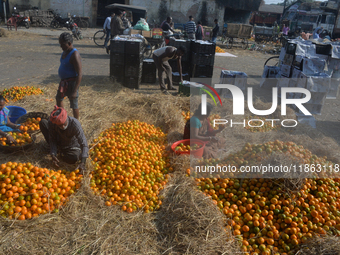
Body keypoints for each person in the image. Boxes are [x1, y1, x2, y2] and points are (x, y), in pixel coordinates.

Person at [39, 106, 88, 171]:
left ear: (66, 118)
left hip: (71, 146)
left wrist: (83, 162)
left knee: (73, 159)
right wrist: (53, 154)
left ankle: (62, 153)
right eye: (60, 125)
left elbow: (83, 143)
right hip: (59, 140)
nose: (63, 127)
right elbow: (52, 139)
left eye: (64, 124)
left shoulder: (74, 124)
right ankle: (58, 150)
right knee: (43, 122)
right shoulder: (52, 123)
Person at [56, 32, 82, 120]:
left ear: (69, 43)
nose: (61, 47)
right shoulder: (64, 52)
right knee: (59, 98)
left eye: (63, 45)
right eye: (60, 44)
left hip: (72, 82)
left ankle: (76, 123)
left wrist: (74, 91)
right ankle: (62, 118)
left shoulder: (74, 54)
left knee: (74, 104)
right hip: (64, 82)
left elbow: (79, 73)